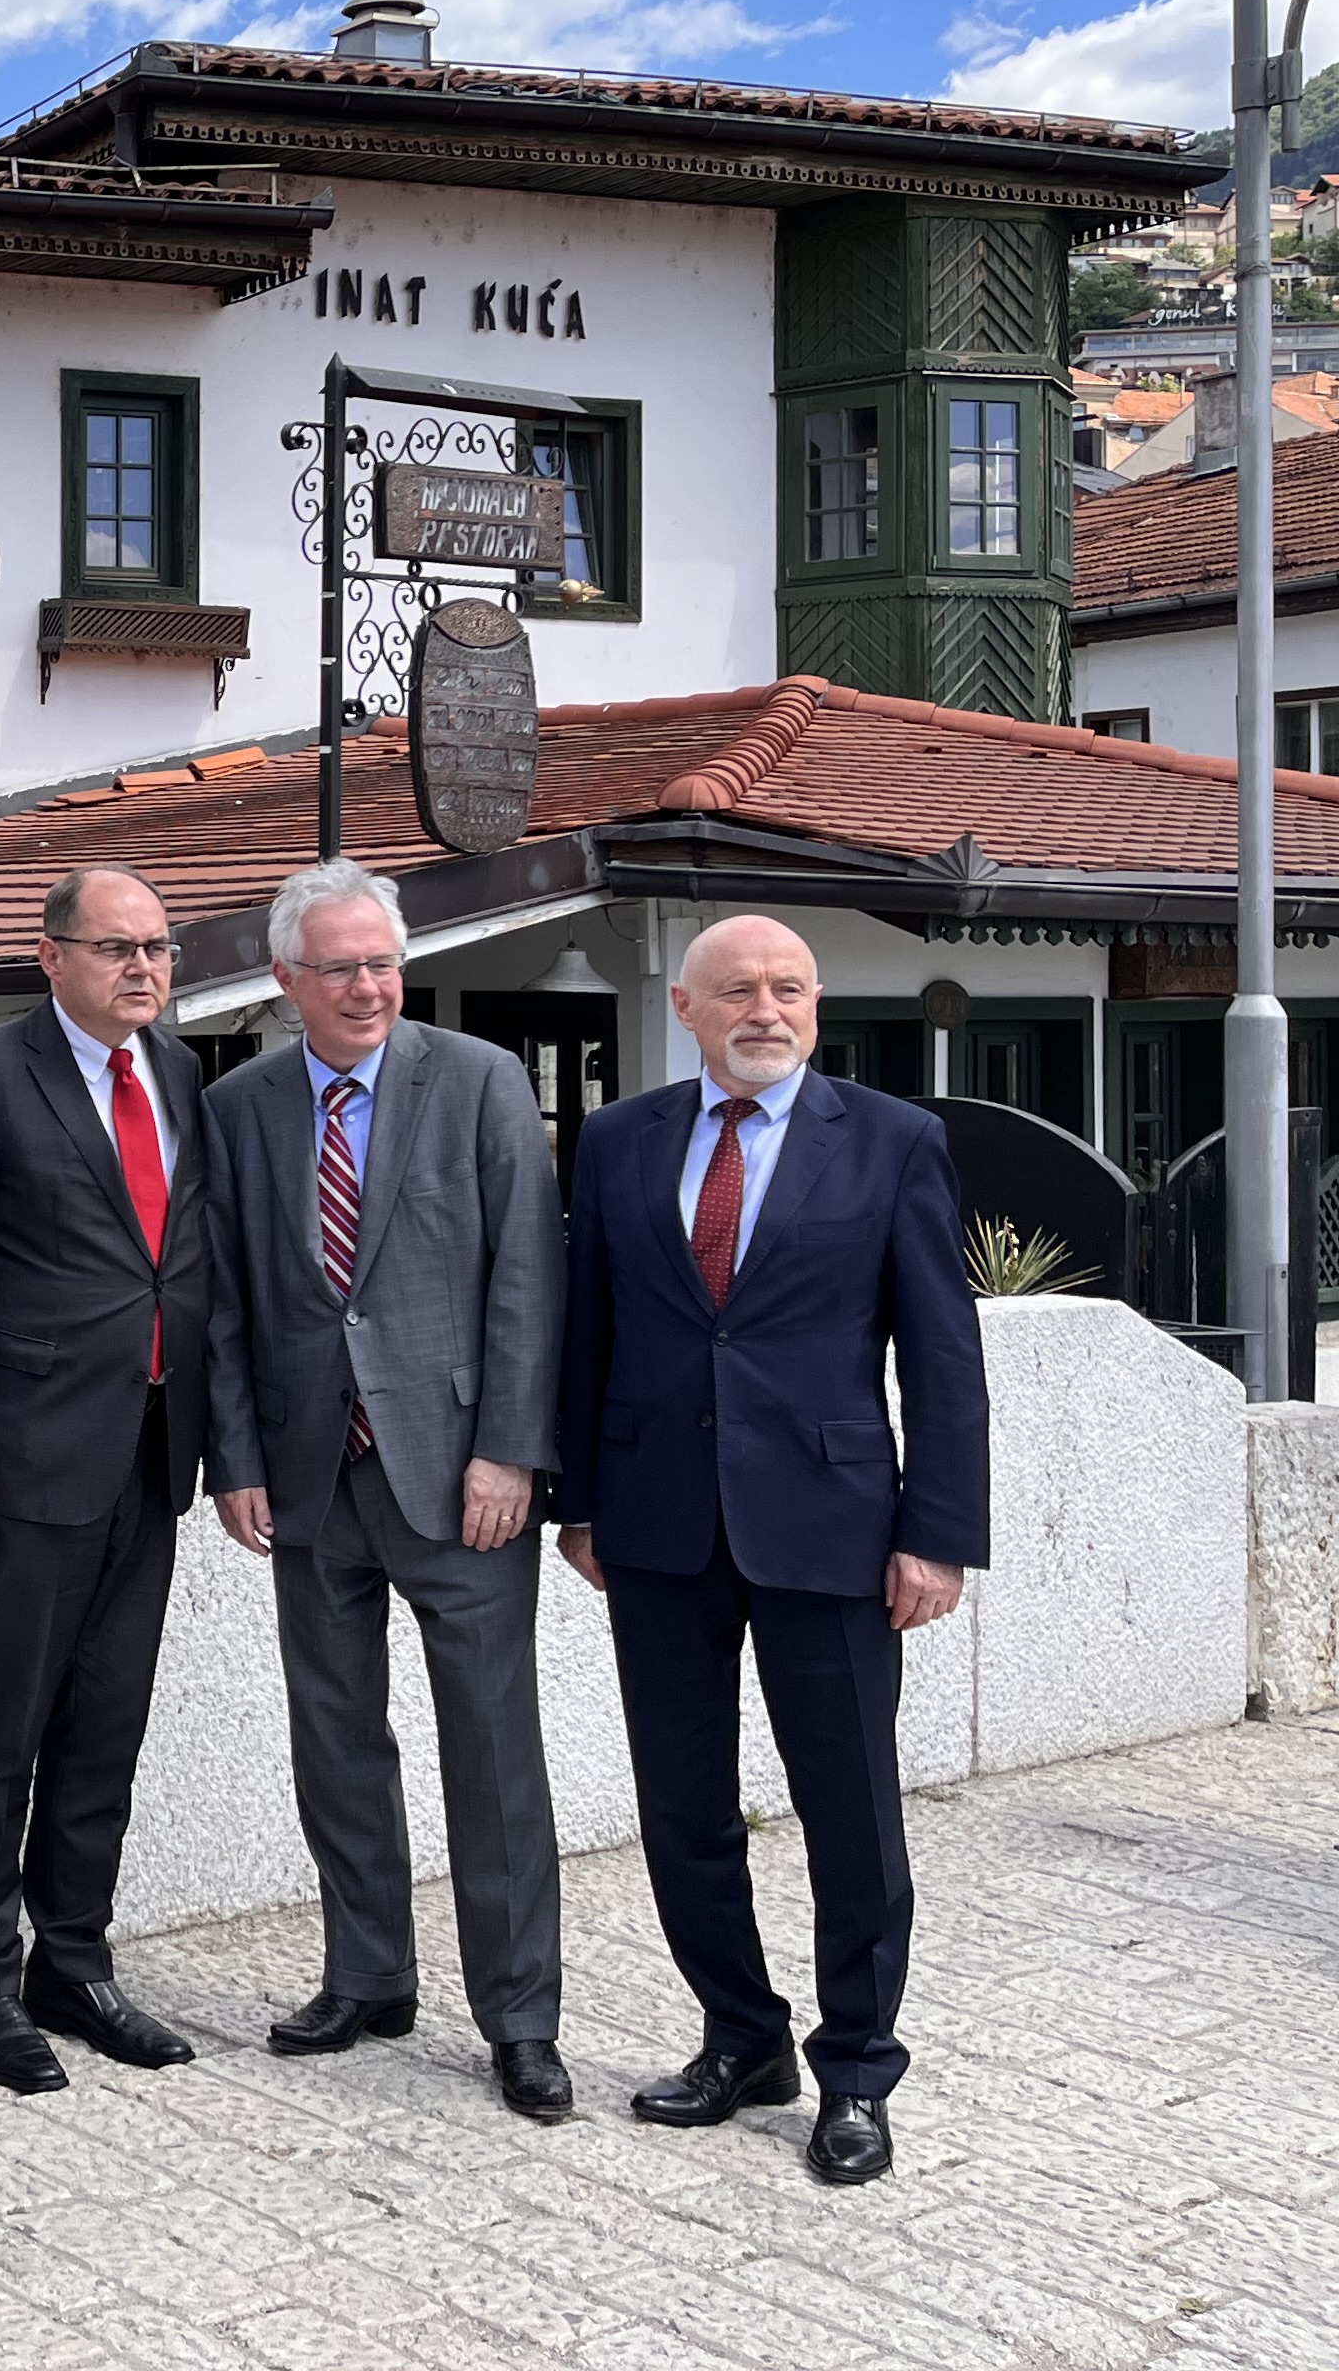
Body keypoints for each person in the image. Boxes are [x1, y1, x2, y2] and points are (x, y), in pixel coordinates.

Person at [556, 914, 988, 2189]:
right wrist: (580, 1500)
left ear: (815, 1003)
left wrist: (937, 1533)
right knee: (683, 1805)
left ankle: (856, 2068)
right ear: (684, 1007)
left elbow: (943, 1354)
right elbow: (590, 1330)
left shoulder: (894, 1141)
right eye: (738, 989)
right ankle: (742, 2039)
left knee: (850, 1810)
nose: (766, 1009)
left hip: (833, 1531)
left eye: (788, 988)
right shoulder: (621, 1139)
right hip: (656, 1526)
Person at [203, 859, 571, 2121]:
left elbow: (527, 1276)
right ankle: (367, 1976)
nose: (367, 987)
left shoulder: (478, 1081)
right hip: (309, 1478)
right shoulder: (241, 1105)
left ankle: (520, 2020)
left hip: (461, 1478)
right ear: (284, 979)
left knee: (493, 1750)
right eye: (340, 968)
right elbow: (227, 1299)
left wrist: (510, 1450)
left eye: (383, 964)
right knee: (336, 1739)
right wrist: (236, 1460)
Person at [0, 863, 213, 2091]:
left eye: (157, 947)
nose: (143, 967)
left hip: (151, 1449)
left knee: (107, 1721)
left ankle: (73, 1961)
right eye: (115, 947)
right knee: (5, 1720)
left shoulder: (181, 1072)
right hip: (26, 1457)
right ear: (51, 957)